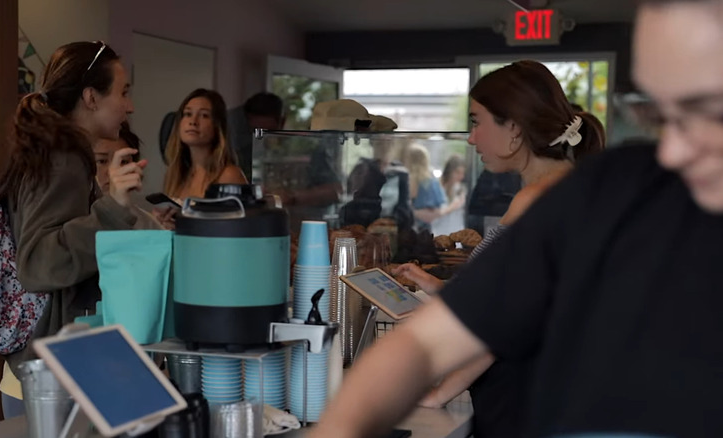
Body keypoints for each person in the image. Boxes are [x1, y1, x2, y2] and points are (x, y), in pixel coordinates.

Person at [310, 0, 723, 436]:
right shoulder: (609, 193)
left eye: (706, 112)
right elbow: (425, 345)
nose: (672, 151)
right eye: (658, 114)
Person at [393, 60, 605, 437]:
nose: (471, 138)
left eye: (477, 121)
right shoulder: (566, 187)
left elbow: (508, 323)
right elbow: (518, 299)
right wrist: (439, 289)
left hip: (519, 401)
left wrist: (439, 393)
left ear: (514, 128)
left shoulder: (535, 200)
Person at [0, 41, 159, 418]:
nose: (129, 106)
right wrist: (112, 207)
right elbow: (37, 264)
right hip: (53, 375)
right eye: (123, 92)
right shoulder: (63, 158)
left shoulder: (58, 152)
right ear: (90, 97)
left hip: (50, 368)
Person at [157, 88, 247, 228]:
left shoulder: (229, 175)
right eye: (187, 114)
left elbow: (238, 230)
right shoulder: (175, 175)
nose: (193, 121)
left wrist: (185, 224)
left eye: (204, 115)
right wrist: (162, 221)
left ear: (217, 126)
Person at [405, 144, 465, 233]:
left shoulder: (426, 183)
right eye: (457, 172)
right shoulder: (430, 184)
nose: (461, 176)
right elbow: (436, 213)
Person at [227, 92, 286, 181]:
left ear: (282, 123)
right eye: (256, 131)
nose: (261, 138)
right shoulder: (237, 151)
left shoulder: (289, 151)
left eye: (268, 132)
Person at [432, 153, 468, 235]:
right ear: (449, 171)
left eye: (462, 173)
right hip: (439, 233)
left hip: (456, 234)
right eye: (458, 172)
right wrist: (452, 207)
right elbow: (433, 215)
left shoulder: (460, 189)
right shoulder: (437, 188)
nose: (461, 177)